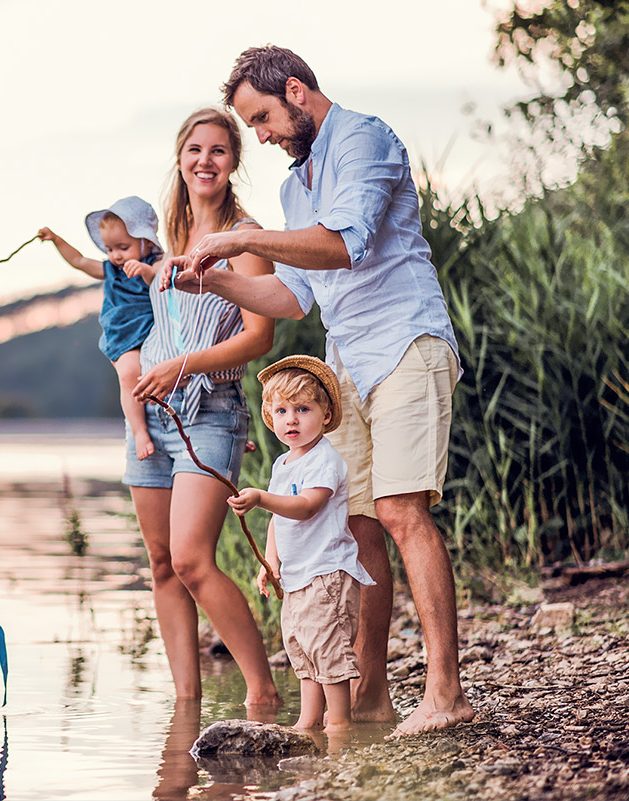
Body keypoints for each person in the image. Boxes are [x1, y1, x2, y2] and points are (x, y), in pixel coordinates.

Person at [163, 45, 476, 736]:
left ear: (298, 91)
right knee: (355, 524)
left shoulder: (365, 138)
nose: (263, 135)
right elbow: (291, 293)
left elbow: (346, 244)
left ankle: (446, 691)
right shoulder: (293, 189)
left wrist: (240, 236)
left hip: (404, 342)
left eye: (264, 118)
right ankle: (368, 698)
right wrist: (211, 277)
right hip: (345, 364)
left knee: (399, 509)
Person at [128, 108, 279, 708]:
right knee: (162, 564)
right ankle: (185, 707)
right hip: (152, 414)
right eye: (195, 149)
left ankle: (263, 691)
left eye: (218, 150)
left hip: (210, 409)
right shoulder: (171, 240)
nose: (205, 161)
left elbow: (260, 336)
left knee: (192, 559)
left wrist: (182, 367)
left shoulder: (246, 238)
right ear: (181, 158)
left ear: (234, 161)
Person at [229, 356, 376, 731]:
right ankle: (308, 722)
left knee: (328, 650)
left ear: (325, 415)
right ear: (270, 417)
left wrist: (261, 497)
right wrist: (271, 561)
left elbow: (307, 507)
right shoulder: (282, 465)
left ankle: (340, 724)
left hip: (326, 574)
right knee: (303, 648)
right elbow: (280, 521)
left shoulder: (324, 460)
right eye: (281, 410)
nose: (291, 419)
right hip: (297, 577)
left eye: (302, 409)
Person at [38, 197, 162, 460]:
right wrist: (57, 240)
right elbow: (80, 261)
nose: (116, 255)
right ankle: (140, 431)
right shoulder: (110, 269)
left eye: (123, 247)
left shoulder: (157, 263)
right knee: (129, 373)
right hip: (125, 336)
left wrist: (145, 271)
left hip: (154, 333)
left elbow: (163, 280)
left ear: (147, 241)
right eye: (109, 249)